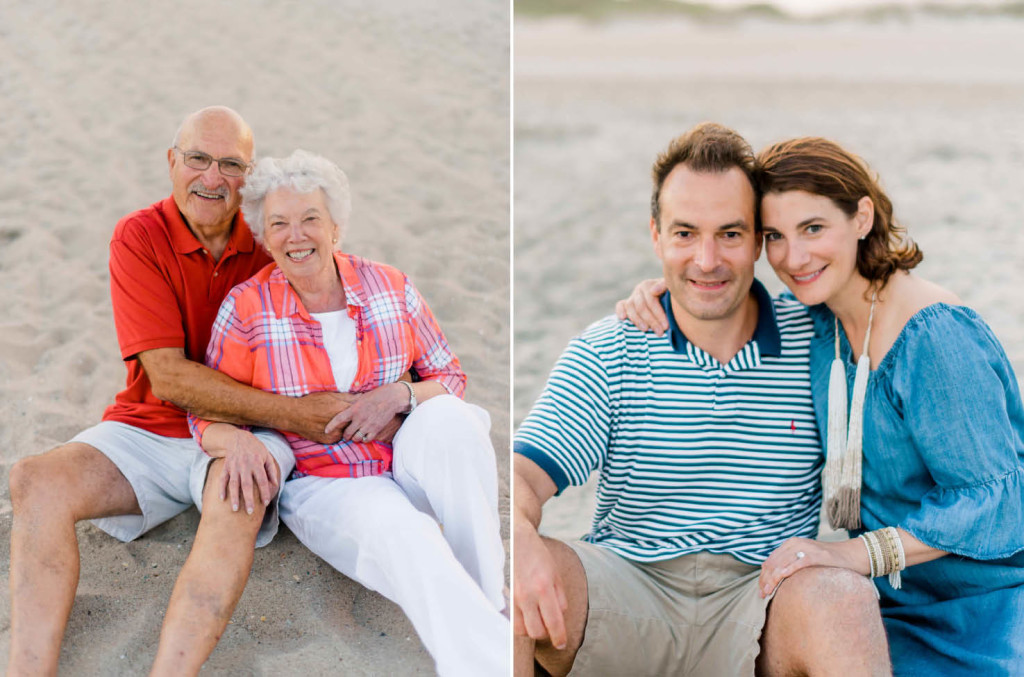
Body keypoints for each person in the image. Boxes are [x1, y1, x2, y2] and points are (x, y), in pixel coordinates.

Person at [621, 136, 1024, 675]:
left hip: (988, 610)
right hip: (889, 608)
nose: (795, 257)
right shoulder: (821, 321)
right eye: (775, 237)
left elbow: (996, 501)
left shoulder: (933, 335)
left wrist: (855, 555)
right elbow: (726, 304)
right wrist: (662, 292)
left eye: (813, 228)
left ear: (862, 217)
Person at [513, 123, 889, 677]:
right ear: (656, 236)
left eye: (730, 234)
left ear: (759, 240)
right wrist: (521, 541)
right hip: (626, 590)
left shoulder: (821, 342)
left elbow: (891, 301)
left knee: (842, 597)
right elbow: (520, 478)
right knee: (506, 563)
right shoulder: (611, 347)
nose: (707, 260)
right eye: (685, 233)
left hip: (759, 603)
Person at [6, 106, 371, 676]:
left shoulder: (275, 233)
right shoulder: (139, 235)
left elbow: (349, 300)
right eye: (198, 158)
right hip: (152, 427)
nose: (212, 177)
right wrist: (297, 415)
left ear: (249, 177)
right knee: (36, 479)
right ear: (172, 161)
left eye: (231, 164)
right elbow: (169, 379)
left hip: (254, 433)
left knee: (238, 494)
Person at [192, 149, 508, 676]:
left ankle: (486, 596)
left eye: (310, 219)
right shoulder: (246, 308)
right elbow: (207, 408)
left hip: (407, 459)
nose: (297, 236)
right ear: (264, 237)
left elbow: (449, 378)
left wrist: (400, 396)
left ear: (335, 226)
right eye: (280, 224)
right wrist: (235, 442)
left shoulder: (390, 284)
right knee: (409, 538)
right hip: (329, 484)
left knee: (454, 421)